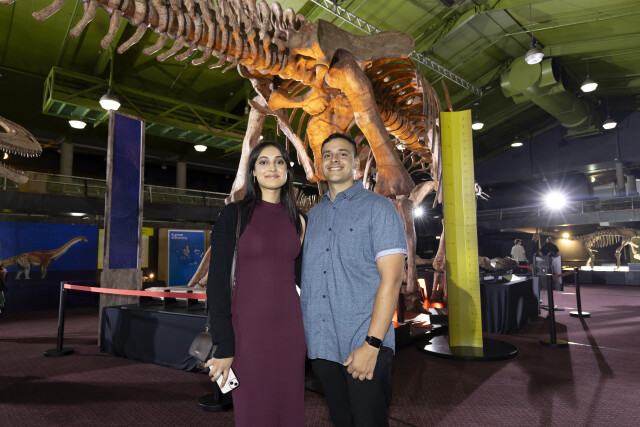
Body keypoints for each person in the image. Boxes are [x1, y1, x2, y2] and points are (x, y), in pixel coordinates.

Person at [301, 133, 407, 427]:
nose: (334, 159)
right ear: (320, 165)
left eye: (342, 153)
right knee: (341, 420)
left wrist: (372, 345)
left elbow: (392, 279)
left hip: (363, 343)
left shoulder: (379, 209)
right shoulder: (312, 218)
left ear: (356, 164)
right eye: (327, 155)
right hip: (322, 346)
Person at [204, 141, 307, 427]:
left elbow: (305, 281)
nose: (272, 167)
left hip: (292, 330)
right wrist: (224, 345)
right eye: (263, 162)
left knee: (291, 408)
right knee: (254, 411)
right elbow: (218, 283)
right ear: (252, 171)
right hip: (247, 332)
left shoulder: (300, 221)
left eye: (279, 161)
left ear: (288, 170)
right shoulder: (233, 215)